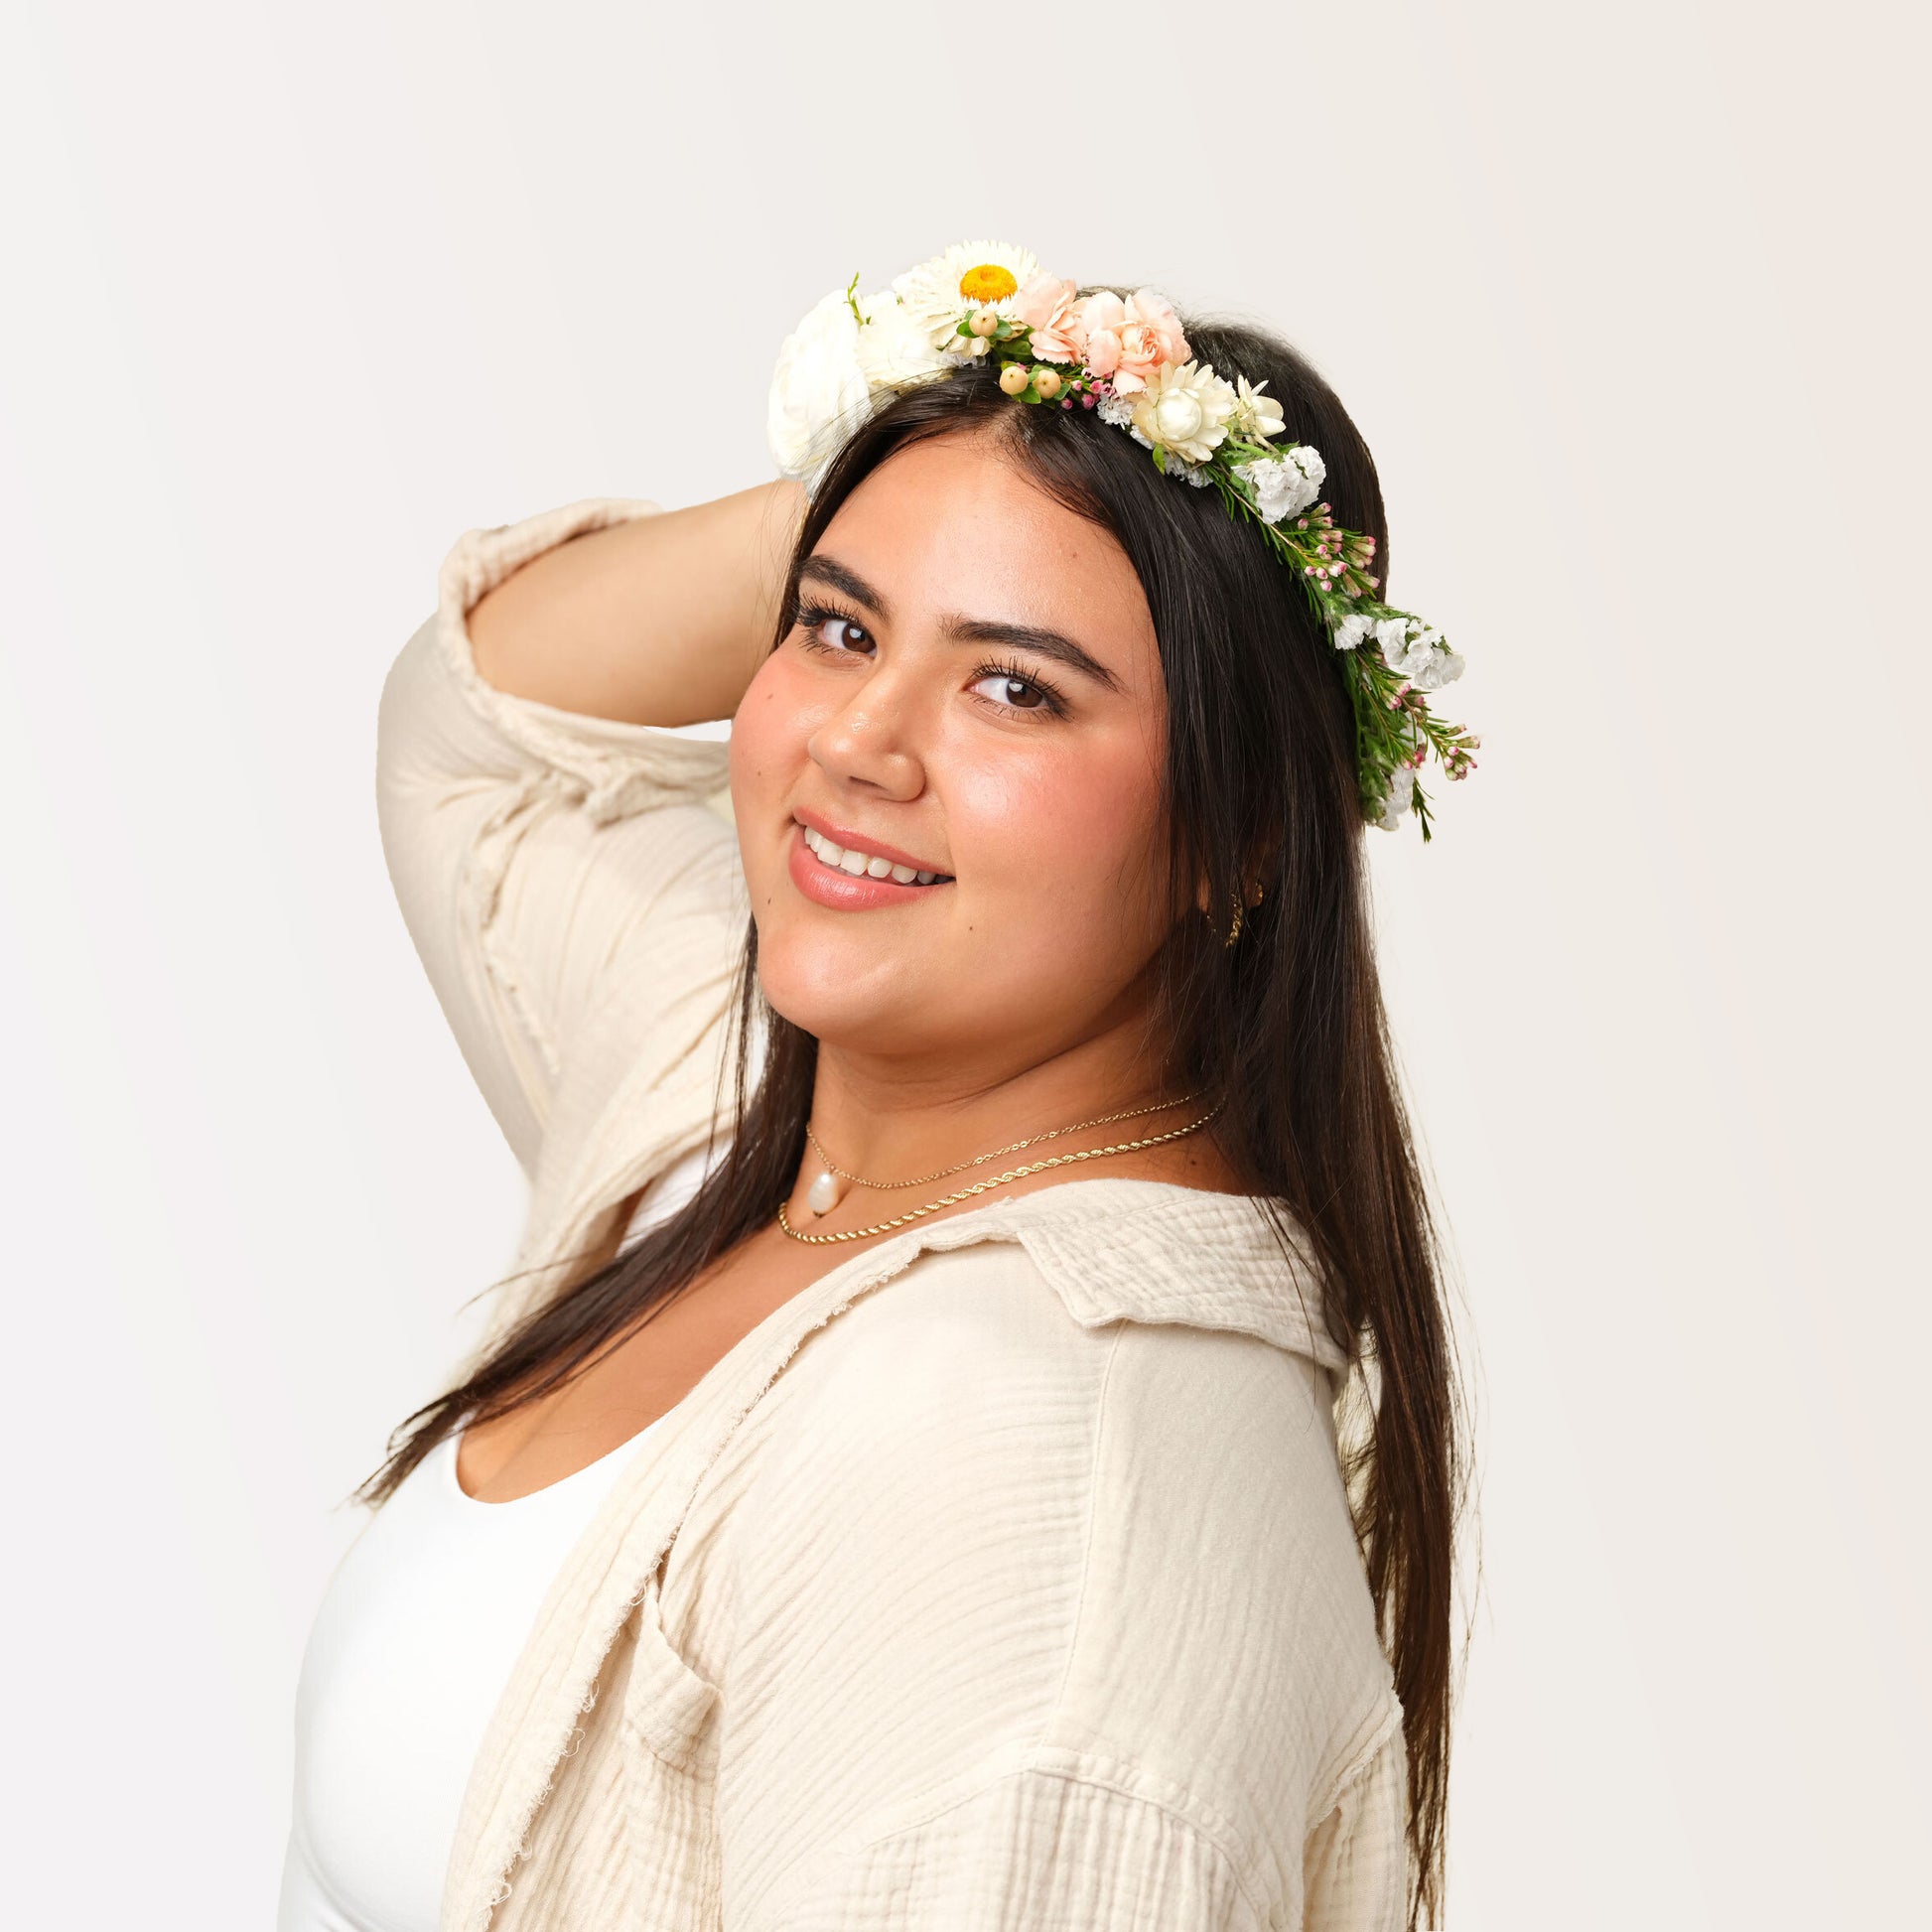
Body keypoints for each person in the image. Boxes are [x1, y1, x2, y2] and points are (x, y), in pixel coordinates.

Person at [280, 242, 1474, 1932]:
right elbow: (478, 736)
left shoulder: (1046, 1470)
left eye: (1016, 686)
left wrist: (1086, 494)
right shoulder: (740, 1106)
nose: (859, 740)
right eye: (836, 626)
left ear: (1242, 832)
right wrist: (987, 433)